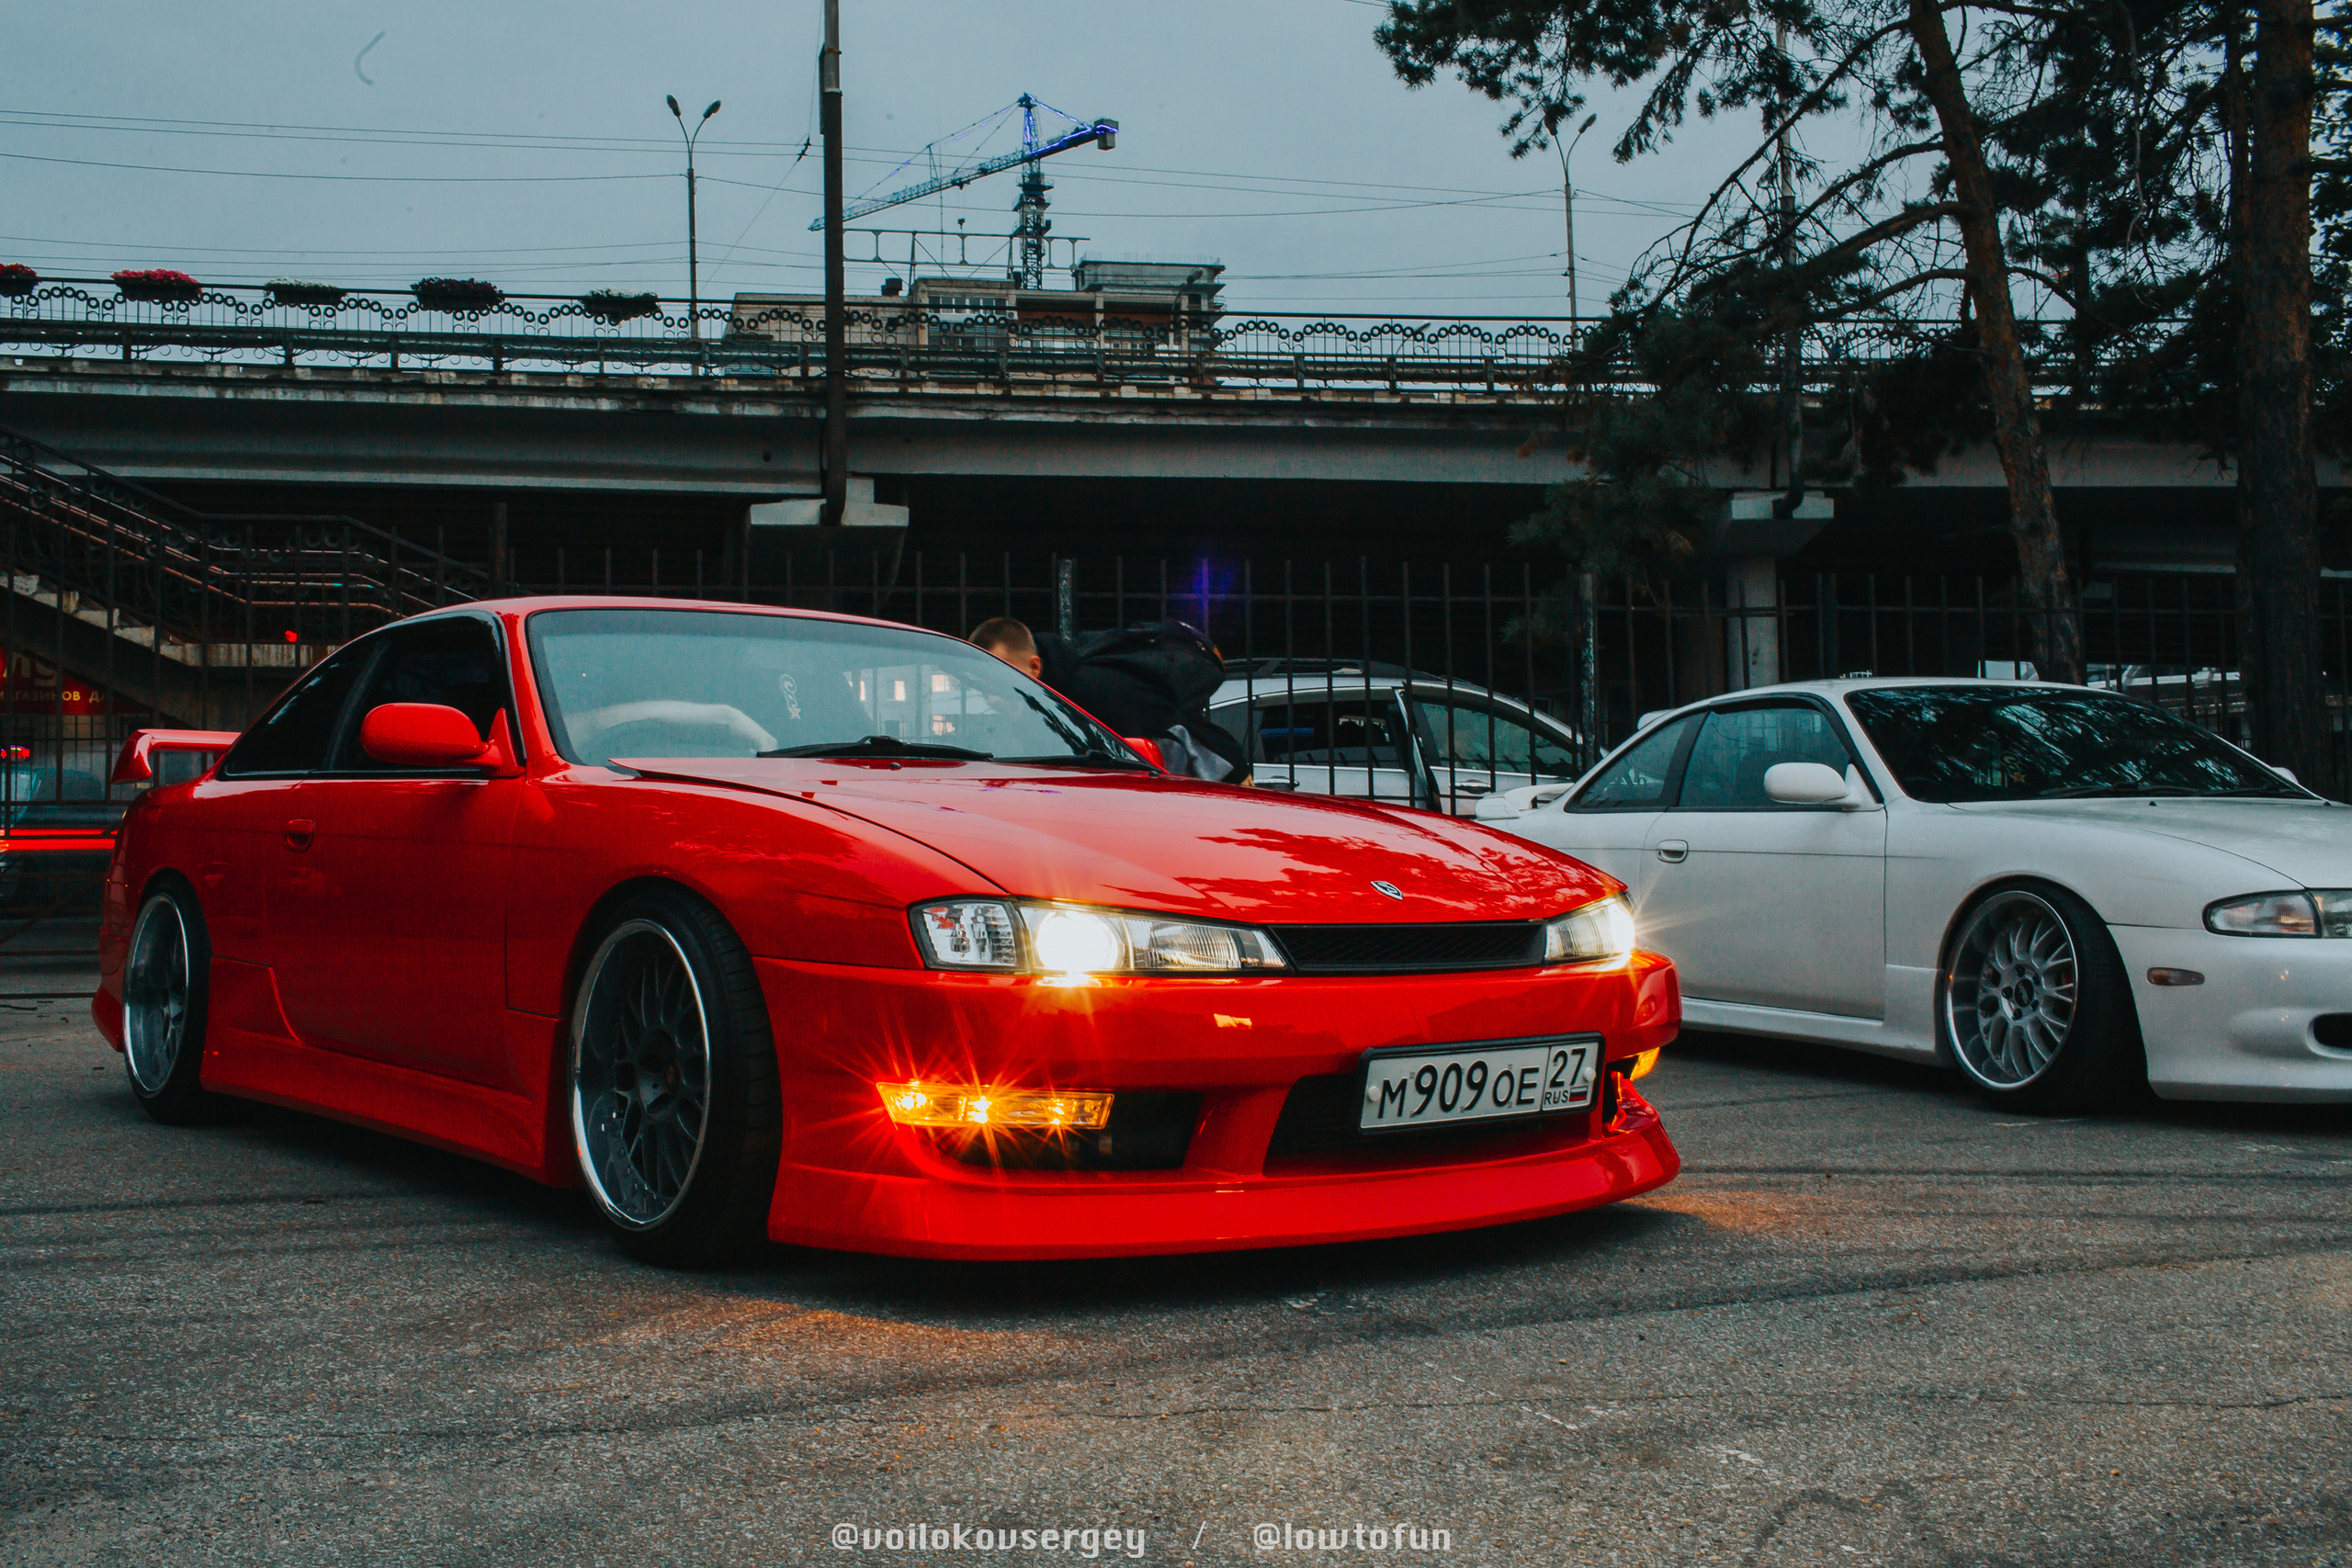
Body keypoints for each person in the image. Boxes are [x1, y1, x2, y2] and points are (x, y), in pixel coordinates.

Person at [971, 616, 1249, 784]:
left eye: (1001, 676)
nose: (993, 694)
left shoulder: (1091, 693)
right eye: (984, 685)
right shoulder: (1044, 703)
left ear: (1034, 667)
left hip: (1219, 776)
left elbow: (1135, 767)